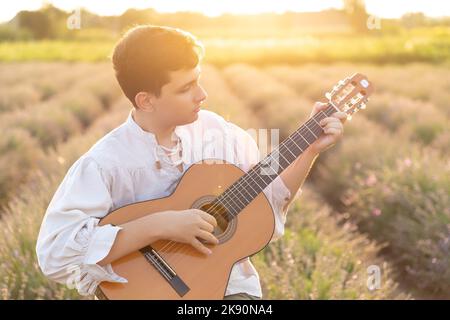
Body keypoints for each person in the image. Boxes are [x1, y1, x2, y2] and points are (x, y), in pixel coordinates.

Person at [36, 25, 346, 300]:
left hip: (232, 289)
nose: (202, 94)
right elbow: (55, 253)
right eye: (186, 88)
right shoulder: (105, 163)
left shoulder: (218, 132)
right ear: (146, 100)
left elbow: (270, 193)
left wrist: (309, 150)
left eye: (198, 80)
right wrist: (159, 226)